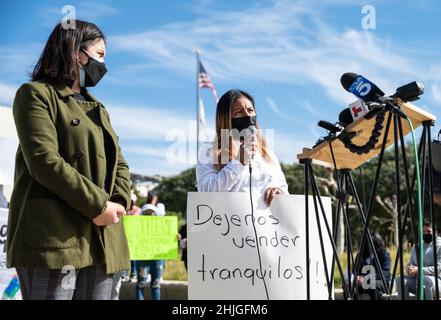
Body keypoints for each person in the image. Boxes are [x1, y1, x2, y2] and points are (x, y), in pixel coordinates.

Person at [7, 20, 131, 300]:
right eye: (99, 55)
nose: (103, 65)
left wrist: (120, 202)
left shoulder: (99, 108)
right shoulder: (35, 94)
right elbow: (44, 161)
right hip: (53, 238)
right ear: (77, 52)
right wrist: (98, 205)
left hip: (103, 238)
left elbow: (120, 162)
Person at [196, 89, 288, 205]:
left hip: (265, 222)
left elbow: (283, 187)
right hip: (228, 221)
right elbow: (205, 192)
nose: (247, 115)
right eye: (239, 112)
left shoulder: (268, 154)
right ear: (226, 118)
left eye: (250, 110)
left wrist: (279, 192)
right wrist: (238, 163)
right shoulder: (209, 151)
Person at [396, 222, 441, 300]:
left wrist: (418, 270)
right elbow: (410, 264)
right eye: (423, 231)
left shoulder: (439, 246)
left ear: (435, 232)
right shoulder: (416, 246)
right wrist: (409, 269)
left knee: (425, 279)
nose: (425, 233)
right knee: (400, 280)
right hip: (417, 281)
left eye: (429, 231)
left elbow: (438, 268)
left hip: (436, 282)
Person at [136, 192, 165, 300]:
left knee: (152, 285)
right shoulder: (138, 227)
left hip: (155, 257)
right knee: (145, 284)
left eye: (152, 213)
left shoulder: (162, 226)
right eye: (147, 213)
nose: (149, 214)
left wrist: (175, 237)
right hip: (147, 257)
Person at [353, 233, 391, 300]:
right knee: (350, 288)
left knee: (373, 286)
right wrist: (357, 277)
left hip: (380, 282)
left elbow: (384, 273)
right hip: (363, 282)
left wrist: (366, 278)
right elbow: (355, 270)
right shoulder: (361, 254)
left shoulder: (383, 254)